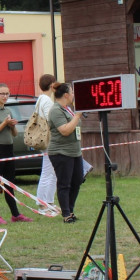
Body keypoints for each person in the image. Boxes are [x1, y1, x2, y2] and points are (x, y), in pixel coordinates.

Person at [0, 84, 30, 224]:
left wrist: (12, 125)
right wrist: (4, 123)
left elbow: (14, 134)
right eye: (2, 93)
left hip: (9, 149)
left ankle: (15, 214)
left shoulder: (8, 110)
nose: (5, 96)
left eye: (7, 94)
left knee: (10, 183)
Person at [47, 82, 84, 223]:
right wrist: (78, 116)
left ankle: (71, 209)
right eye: (72, 92)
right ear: (66, 95)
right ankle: (66, 213)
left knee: (77, 180)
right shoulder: (56, 110)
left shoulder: (68, 109)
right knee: (65, 183)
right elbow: (65, 130)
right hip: (61, 152)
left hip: (75, 152)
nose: (74, 95)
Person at [34, 73, 58, 206]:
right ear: (51, 85)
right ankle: (44, 201)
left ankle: (47, 200)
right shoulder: (47, 101)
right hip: (49, 140)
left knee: (50, 171)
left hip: (45, 139)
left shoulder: (40, 99)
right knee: (49, 171)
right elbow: (51, 119)